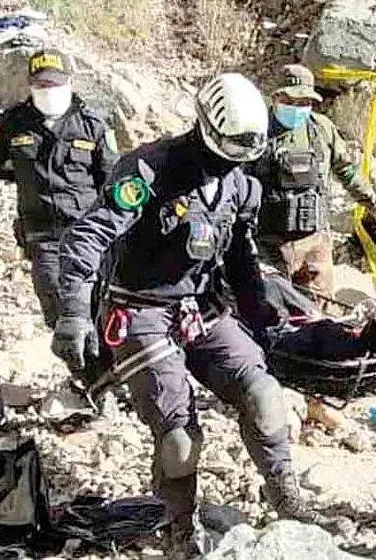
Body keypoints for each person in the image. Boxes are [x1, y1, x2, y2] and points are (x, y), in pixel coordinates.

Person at [49, 73, 319, 558]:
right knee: (179, 439)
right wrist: (73, 311)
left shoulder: (240, 185)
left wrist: (263, 320)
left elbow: (239, 258)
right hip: (139, 308)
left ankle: (285, 494)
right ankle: (178, 529)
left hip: (201, 306)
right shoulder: (149, 170)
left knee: (264, 395)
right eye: (231, 151)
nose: (235, 162)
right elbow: (88, 236)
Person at [0, 49, 121, 329]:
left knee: (100, 311)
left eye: (54, 84)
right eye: (41, 85)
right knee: (63, 317)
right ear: (30, 86)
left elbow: (114, 185)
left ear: (69, 82)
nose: (48, 91)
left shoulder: (92, 124)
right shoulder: (12, 124)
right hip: (43, 237)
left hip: (89, 234)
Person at [250, 64, 376, 299]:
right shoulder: (255, 131)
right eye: (290, 101)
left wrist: (375, 206)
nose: (297, 108)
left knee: (320, 310)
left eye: (304, 102)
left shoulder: (321, 129)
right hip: (267, 245)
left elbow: (347, 171)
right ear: (275, 97)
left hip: (314, 244)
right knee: (270, 309)